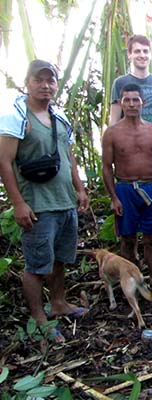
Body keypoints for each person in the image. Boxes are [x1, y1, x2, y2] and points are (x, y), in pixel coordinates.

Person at [0, 60, 90, 342]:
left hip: (64, 201)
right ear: (27, 81)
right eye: (39, 80)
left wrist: (80, 188)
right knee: (37, 265)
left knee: (60, 259)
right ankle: (39, 317)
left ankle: (59, 302)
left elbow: (69, 156)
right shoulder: (16, 116)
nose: (45, 85)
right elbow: (4, 161)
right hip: (37, 204)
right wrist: (18, 203)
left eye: (50, 81)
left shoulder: (58, 116)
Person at [108, 34, 152, 263]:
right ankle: (133, 254)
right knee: (130, 207)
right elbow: (113, 119)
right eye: (137, 51)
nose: (141, 55)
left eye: (145, 51)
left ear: (150, 54)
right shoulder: (120, 83)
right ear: (130, 54)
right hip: (131, 152)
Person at [102, 83, 152, 292]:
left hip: (150, 187)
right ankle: (131, 280)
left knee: (151, 238)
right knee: (127, 238)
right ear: (121, 103)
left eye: (135, 100)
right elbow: (106, 166)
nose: (131, 104)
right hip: (125, 188)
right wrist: (114, 197)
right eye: (127, 100)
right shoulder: (112, 133)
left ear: (143, 102)